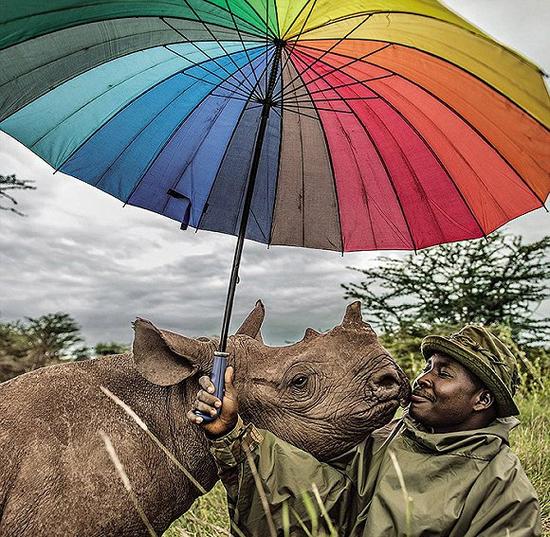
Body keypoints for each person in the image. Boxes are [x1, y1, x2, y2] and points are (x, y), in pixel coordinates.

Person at [188, 326, 541, 536]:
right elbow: (324, 503)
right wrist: (232, 432)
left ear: (482, 400)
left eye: (443, 373)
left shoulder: (504, 491)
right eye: (427, 367)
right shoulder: (386, 440)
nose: (423, 378)